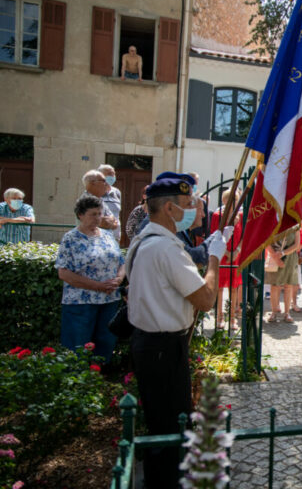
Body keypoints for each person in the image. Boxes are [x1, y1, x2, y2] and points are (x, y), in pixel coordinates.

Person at [126, 172, 230, 488]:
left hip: (153, 344)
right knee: (171, 424)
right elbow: (206, 299)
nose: (194, 211)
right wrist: (214, 257)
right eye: (187, 204)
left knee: (165, 421)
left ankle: (164, 475)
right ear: (170, 209)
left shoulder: (149, 241)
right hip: (162, 348)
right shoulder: (165, 248)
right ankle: (166, 481)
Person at [55, 195, 124, 363]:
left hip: (109, 299)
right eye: (93, 214)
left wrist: (118, 280)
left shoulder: (108, 236)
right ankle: (77, 384)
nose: (98, 218)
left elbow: (122, 262)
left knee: (105, 343)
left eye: (100, 214)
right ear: (80, 215)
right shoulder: (70, 238)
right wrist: (97, 285)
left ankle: (99, 380)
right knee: (78, 346)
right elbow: (63, 273)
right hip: (81, 302)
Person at [210, 189, 243, 328]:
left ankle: (232, 318)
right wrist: (226, 252)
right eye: (231, 199)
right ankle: (219, 317)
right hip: (222, 254)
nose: (234, 202)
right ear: (224, 201)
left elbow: (244, 236)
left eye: (236, 200)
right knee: (219, 287)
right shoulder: (218, 215)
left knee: (234, 287)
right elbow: (214, 234)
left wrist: (236, 251)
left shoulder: (241, 216)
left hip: (236, 255)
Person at [265, 227, 302, 323]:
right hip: (275, 256)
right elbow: (266, 241)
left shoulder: (295, 225)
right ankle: (273, 312)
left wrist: (283, 253)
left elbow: (297, 244)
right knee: (275, 285)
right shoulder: (274, 221)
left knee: (288, 286)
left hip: (289, 258)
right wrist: (275, 256)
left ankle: (287, 313)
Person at [81, 170, 119, 238]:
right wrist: (108, 222)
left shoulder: (101, 200)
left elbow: (115, 222)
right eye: (103, 181)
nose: (106, 184)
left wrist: (108, 222)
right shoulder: (85, 201)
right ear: (92, 183)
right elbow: (99, 223)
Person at [98, 164, 122, 243]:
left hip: (115, 236)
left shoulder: (116, 192)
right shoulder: (95, 191)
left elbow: (117, 213)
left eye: (113, 174)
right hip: (100, 236)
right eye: (109, 174)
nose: (112, 176)